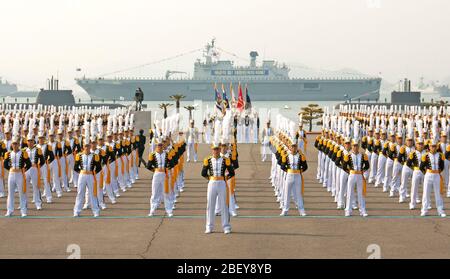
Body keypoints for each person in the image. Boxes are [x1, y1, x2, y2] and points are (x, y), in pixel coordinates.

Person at [202, 143, 235, 234]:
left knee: (224, 205)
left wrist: (225, 178)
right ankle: (209, 226)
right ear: (212, 150)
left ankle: (226, 226)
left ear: (220, 150)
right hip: (212, 183)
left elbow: (232, 172)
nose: (216, 151)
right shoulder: (208, 160)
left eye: (217, 149)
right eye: (214, 149)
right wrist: (210, 178)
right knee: (210, 205)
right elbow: (203, 173)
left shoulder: (225, 160)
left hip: (222, 183)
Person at [4, 136, 32, 217]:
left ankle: (23, 211)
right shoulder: (8, 153)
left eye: (16, 144)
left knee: (22, 193)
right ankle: (10, 210)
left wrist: (23, 170)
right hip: (11, 174)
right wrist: (10, 169)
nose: (15, 145)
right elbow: (5, 164)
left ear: (19, 144)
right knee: (10, 193)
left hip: (20, 174)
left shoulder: (23, 153)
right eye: (13, 144)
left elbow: (29, 164)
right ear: (12, 145)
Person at [147, 138, 174, 217]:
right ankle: (152, 210)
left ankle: (169, 210)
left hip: (164, 175)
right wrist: (155, 170)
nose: (159, 146)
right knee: (154, 192)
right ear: (156, 146)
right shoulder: (152, 154)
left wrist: (167, 169)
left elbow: (172, 163)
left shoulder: (166, 154)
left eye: (161, 145)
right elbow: (148, 165)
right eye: (158, 145)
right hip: (156, 174)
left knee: (166, 192)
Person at [279, 142, 308, 216]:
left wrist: (299, 171)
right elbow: (282, 166)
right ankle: (285, 210)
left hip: (298, 175)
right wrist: (288, 171)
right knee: (287, 193)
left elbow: (305, 166)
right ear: (290, 147)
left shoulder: (301, 156)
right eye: (292, 147)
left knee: (299, 193)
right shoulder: (286, 156)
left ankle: (301, 211)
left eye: (295, 146)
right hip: (289, 175)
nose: (294, 148)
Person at [343, 139, 370, 217]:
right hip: (352, 174)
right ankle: (348, 210)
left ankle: (362, 210)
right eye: (354, 146)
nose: (355, 147)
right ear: (351, 146)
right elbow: (344, 166)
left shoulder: (363, 155)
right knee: (349, 192)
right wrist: (350, 172)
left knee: (360, 193)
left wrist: (362, 171)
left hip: (359, 175)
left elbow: (367, 165)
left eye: (357, 145)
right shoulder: (348, 155)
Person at [419, 140, 446, 217]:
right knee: (426, 193)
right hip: (428, 174)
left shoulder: (441, 155)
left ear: (436, 147)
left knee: (438, 193)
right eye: (431, 146)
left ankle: (440, 210)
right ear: (429, 147)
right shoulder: (425, 155)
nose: (433, 148)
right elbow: (421, 167)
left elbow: (442, 166)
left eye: (434, 146)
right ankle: (424, 210)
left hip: (437, 175)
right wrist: (427, 173)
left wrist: (437, 172)